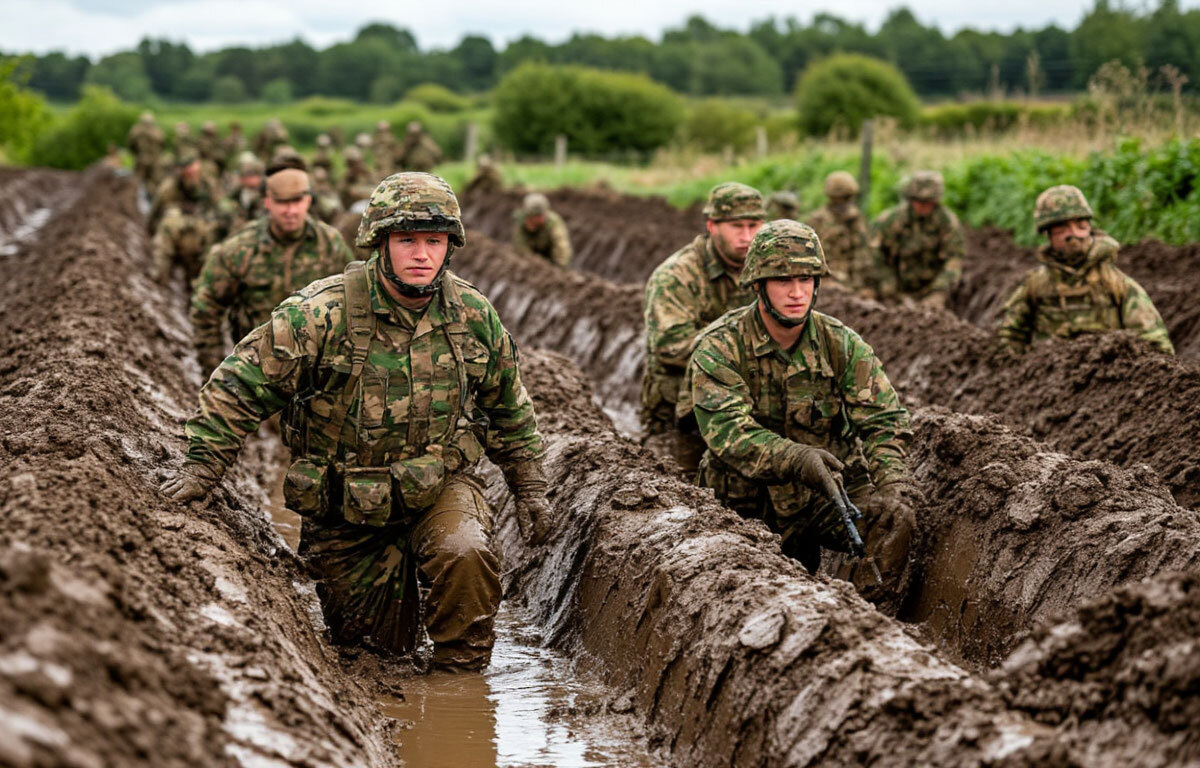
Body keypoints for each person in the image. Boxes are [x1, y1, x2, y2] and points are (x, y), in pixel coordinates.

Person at [160, 172, 552, 672]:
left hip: (438, 485)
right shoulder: (321, 314)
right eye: (406, 240)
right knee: (376, 656)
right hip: (348, 509)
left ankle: (461, 682)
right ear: (380, 243)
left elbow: (508, 405)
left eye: (434, 241)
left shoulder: (472, 315)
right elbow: (238, 386)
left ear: (449, 248)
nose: (420, 254)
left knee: (466, 552)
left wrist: (531, 488)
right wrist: (203, 469)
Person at [688, 220, 918, 600]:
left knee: (895, 519)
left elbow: (883, 421)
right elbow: (728, 432)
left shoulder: (840, 344)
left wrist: (892, 482)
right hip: (744, 503)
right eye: (782, 280)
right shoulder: (720, 346)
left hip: (827, 497)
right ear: (759, 285)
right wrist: (797, 459)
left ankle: (869, 619)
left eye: (806, 279)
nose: (797, 293)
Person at [640, 182, 765, 469]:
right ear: (712, 225)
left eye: (753, 225)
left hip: (747, 410)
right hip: (678, 417)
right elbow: (670, 350)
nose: (746, 236)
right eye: (736, 226)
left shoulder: (766, 272)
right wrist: (737, 335)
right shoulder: (676, 276)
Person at [190, 166, 355, 375]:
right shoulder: (241, 249)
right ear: (267, 202)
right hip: (255, 373)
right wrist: (214, 371)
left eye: (297, 202)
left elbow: (354, 301)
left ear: (308, 201)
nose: (290, 211)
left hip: (316, 376)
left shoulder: (331, 245)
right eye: (282, 203)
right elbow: (206, 308)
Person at [997, 185, 1174, 355]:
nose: (1072, 235)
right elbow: (1010, 339)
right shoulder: (1035, 284)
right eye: (1061, 229)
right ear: (1048, 235)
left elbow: (1154, 345)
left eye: (1080, 225)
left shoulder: (1116, 283)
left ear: (1089, 227)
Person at [871, 171, 965, 308]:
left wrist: (939, 293)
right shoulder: (890, 221)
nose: (923, 206)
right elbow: (873, 253)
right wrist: (886, 283)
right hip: (894, 290)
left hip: (931, 289)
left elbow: (954, 258)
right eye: (918, 201)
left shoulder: (947, 223)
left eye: (928, 202)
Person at [149, 152, 221, 284]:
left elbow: (219, 209)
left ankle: (196, 281)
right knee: (168, 227)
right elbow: (155, 213)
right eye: (186, 168)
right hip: (174, 232)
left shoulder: (209, 185)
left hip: (200, 234)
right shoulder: (170, 187)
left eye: (192, 167)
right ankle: (162, 273)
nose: (190, 172)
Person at [805, 171, 873, 292]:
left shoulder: (856, 219)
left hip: (854, 282)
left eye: (846, 198)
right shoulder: (817, 221)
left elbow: (864, 253)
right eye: (839, 199)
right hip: (826, 282)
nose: (843, 203)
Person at [511, 193, 572, 268]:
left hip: (551, 260)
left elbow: (562, 249)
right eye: (533, 217)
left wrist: (559, 267)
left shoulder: (554, 223)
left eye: (540, 216)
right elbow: (520, 247)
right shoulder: (521, 222)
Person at [225, 151, 266, 230]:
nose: (246, 179)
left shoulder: (264, 193)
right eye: (244, 176)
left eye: (251, 176)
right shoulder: (238, 193)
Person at [126, 112, 165, 187]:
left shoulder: (135, 130)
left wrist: (136, 154)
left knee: (137, 182)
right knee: (156, 182)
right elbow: (162, 145)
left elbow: (131, 144)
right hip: (154, 160)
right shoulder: (158, 131)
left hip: (142, 158)